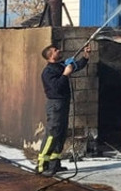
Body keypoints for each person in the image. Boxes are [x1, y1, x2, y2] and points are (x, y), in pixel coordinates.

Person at [35, 42, 91, 175]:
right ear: (50, 55)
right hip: (55, 105)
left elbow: (77, 66)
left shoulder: (60, 66)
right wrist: (65, 75)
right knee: (52, 134)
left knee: (61, 134)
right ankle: (42, 165)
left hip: (63, 104)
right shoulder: (47, 72)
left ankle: (55, 164)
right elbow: (56, 88)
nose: (59, 51)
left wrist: (86, 56)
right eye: (56, 50)